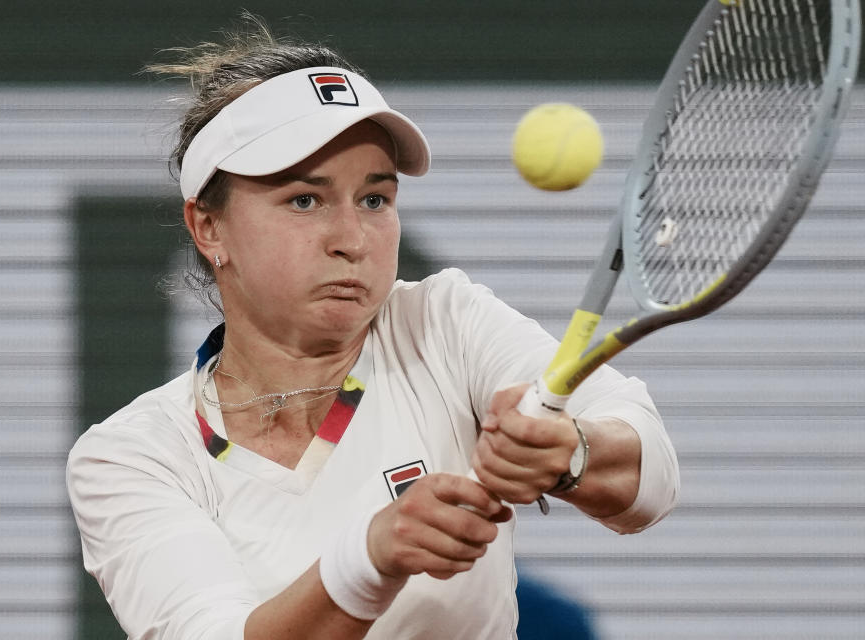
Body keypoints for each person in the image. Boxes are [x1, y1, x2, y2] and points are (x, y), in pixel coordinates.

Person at [66, 20, 680, 640]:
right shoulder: (132, 456)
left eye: (375, 200)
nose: (352, 241)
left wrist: (568, 450)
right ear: (209, 227)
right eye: (305, 200)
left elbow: (648, 472)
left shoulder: (444, 322)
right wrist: (369, 557)